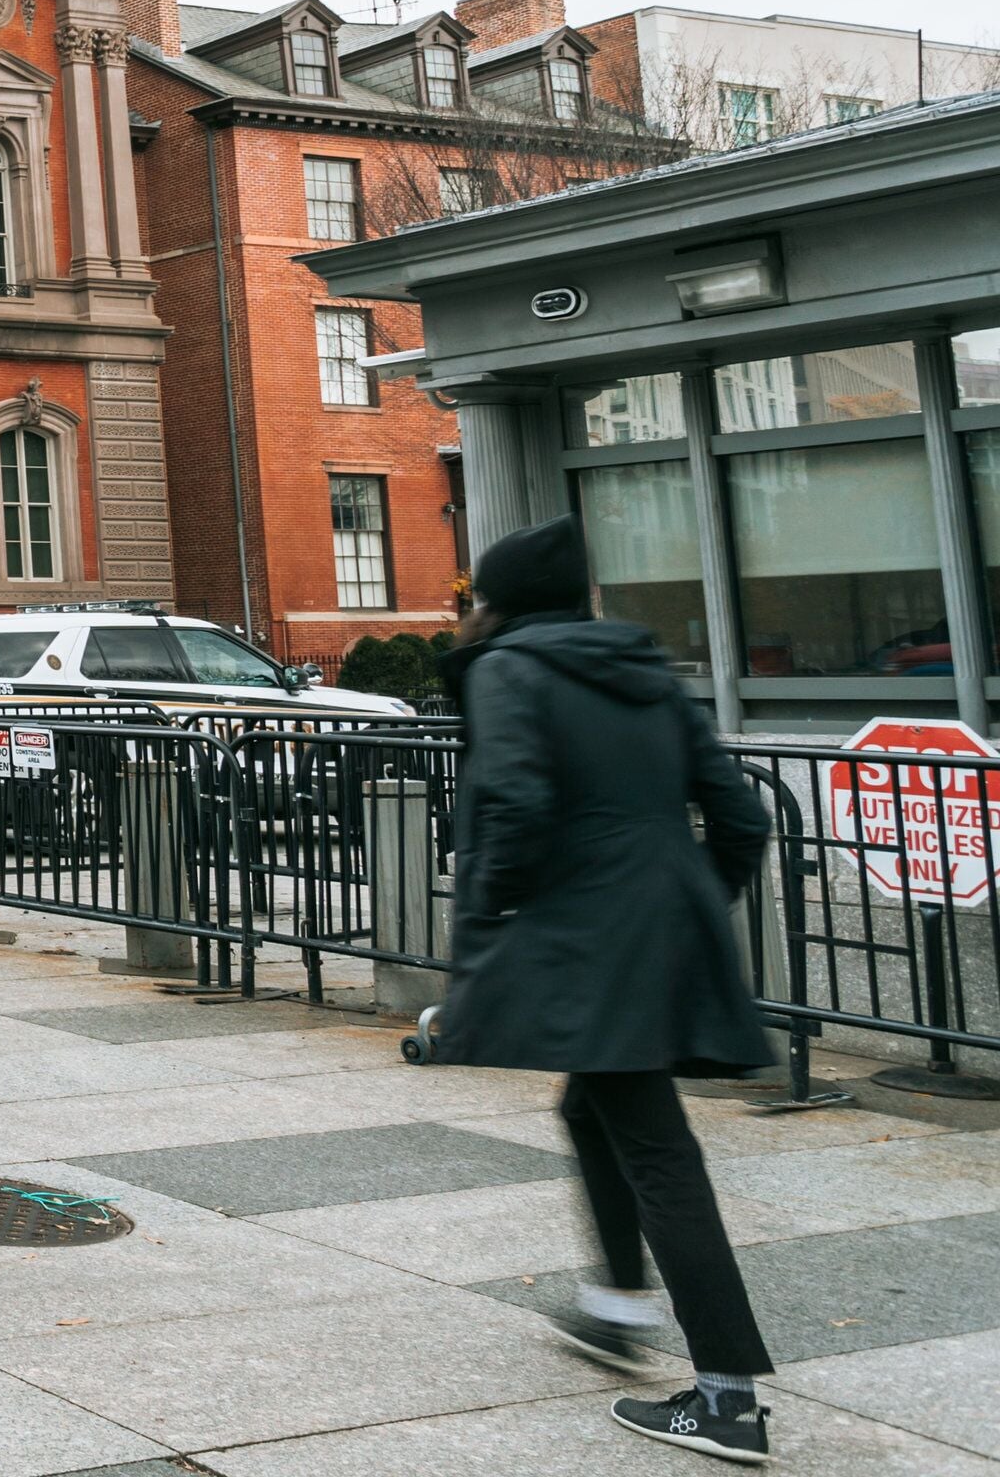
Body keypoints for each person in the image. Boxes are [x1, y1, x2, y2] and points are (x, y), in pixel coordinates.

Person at [434, 516, 779, 1464]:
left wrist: (493, 915)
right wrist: (687, 902)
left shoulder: (509, 670)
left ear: (498, 599)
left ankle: (727, 1397)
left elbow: (515, 802)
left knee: (658, 1152)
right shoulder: (643, 669)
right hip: (666, 923)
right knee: (592, 1109)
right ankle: (617, 1306)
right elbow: (742, 817)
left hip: (588, 934)